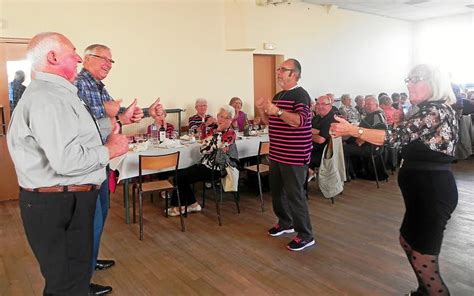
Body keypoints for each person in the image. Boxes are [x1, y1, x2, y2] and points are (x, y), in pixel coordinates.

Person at [6, 32, 129, 296]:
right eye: (73, 52)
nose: (77, 58)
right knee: (67, 285)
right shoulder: (48, 98)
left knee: (73, 280)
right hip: (60, 203)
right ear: (52, 57)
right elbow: (67, 160)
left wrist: (108, 132)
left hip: (64, 200)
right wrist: (109, 149)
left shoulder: (56, 94)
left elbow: (73, 137)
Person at [330, 64, 458, 296]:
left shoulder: (436, 110)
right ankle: (423, 290)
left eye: (416, 79)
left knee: (423, 254)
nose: (409, 83)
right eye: (408, 79)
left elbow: (394, 138)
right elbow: (409, 137)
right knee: (408, 240)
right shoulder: (425, 109)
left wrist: (353, 130)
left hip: (432, 191)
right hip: (421, 190)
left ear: (434, 83)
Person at [75, 43, 146, 295]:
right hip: (87, 162)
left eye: (110, 60)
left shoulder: (99, 86)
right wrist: (114, 111)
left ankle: (91, 261)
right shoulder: (79, 82)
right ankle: (81, 280)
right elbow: (84, 113)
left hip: (102, 159)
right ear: (86, 59)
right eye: (102, 58)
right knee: (89, 221)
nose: (107, 63)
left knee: (101, 214)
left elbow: (116, 114)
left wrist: (135, 114)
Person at [256, 58, 314, 252]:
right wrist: (262, 110)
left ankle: (306, 235)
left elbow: (299, 121)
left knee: (295, 195)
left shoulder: (301, 95)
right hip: (278, 153)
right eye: (279, 69)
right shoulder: (279, 95)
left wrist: (278, 110)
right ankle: (285, 223)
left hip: (295, 154)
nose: (279, 72)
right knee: (277, 191)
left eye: (283, 70)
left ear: (294, 74)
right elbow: (269, 121)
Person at [166, 105, 238, 216]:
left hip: (217, 168)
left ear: (230, 119)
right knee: (179, 175)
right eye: (219, 116)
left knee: (180, 177)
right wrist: (213, 140)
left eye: (224, 117)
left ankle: (182, 206)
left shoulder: (231, 133)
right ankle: (191, 204)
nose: (220, 119)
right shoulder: (214, 130)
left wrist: (215, 136)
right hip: (206, 164)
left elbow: (213, 149)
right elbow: (203, 149)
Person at [343, 95, 388, 180]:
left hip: (371, 147)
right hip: (371, 146)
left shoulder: (376, 117)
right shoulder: (373, 115)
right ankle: (356, 171)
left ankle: (349, 175)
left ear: (376, 105)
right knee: (348, 142)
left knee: (343, 149)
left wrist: (358, 141)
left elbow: (379, 134)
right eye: (366, 104)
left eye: (369, 104)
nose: (366, 106)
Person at [308, 95, 336, 181]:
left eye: (324, 104)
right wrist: (315, 132)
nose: (320, 106)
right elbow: (310, 129)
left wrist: (306, 132)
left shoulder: (332, 119)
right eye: (318, 104)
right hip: (311, 148)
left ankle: (308, 173)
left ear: (330, 106)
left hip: (323, 153)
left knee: (294, 155)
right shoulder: (317, 117)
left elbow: (320, 140)